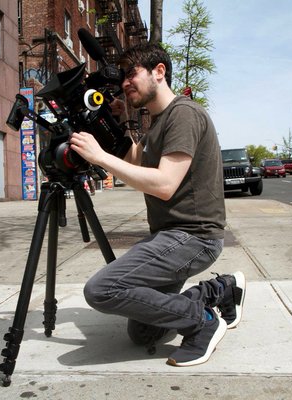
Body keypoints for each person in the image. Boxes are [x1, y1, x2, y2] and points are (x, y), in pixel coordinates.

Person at [69, 43, 246, 366]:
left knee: (101, 289)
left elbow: (164, 185)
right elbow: (137, 160)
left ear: (159, 71)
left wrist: (99, 157)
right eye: (122, 77)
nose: (124, 83)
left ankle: (204, 322)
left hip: (194, 237)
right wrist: (113, 124)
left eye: (131, 74)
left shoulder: (184, 114)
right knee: (144, 334)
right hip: (169, 237)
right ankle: (219, 290)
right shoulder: (159, 122)